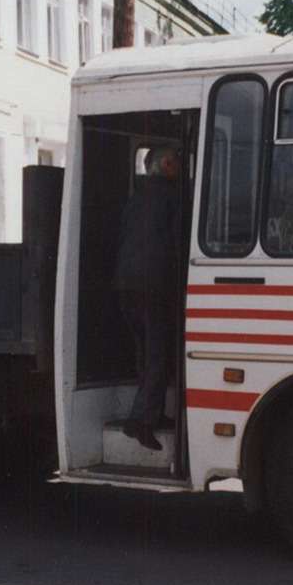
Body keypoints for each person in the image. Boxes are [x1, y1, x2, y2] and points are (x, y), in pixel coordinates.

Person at [110, 146, 182, 452]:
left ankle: (150, 413)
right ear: (166, 164)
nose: (179, 167)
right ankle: (141, 423)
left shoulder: (136, 197)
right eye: (176, 162)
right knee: (159, 354)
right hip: (156, 286)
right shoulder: (173, 196)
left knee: (146, 352)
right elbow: (178, 243)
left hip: (126, 285)